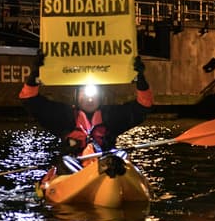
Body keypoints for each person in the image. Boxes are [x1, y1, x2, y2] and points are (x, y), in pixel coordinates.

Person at [18, 52, 153, 174]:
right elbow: (30, 101)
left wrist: (141, 80)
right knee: (65, 160)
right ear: (76, 97)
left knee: (120, 155)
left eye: (93, 95)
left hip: (106, 164)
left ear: (100, 97)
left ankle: (111, 174)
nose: (89, 98)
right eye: (84, 94)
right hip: (74, 166)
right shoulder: (64, 116)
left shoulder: (111, 116)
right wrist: (34, 76)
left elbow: (143, 106)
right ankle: (86, 176)